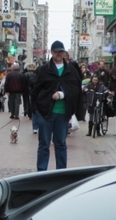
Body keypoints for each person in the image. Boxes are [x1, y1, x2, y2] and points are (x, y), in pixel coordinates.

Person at [31, 40, 82, 171]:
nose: (59, 54)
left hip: (63, 113)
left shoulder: (71, 70)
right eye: (56, 51)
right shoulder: (43, 70)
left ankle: (61, 172)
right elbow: (36, 90)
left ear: (64, 53)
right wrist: (35, 110)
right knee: (44, 144)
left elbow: (76, 90)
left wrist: (62, 95)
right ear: (52, 52)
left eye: (61, 51)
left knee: (60, 144)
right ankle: (41, 172)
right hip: (45, 113)